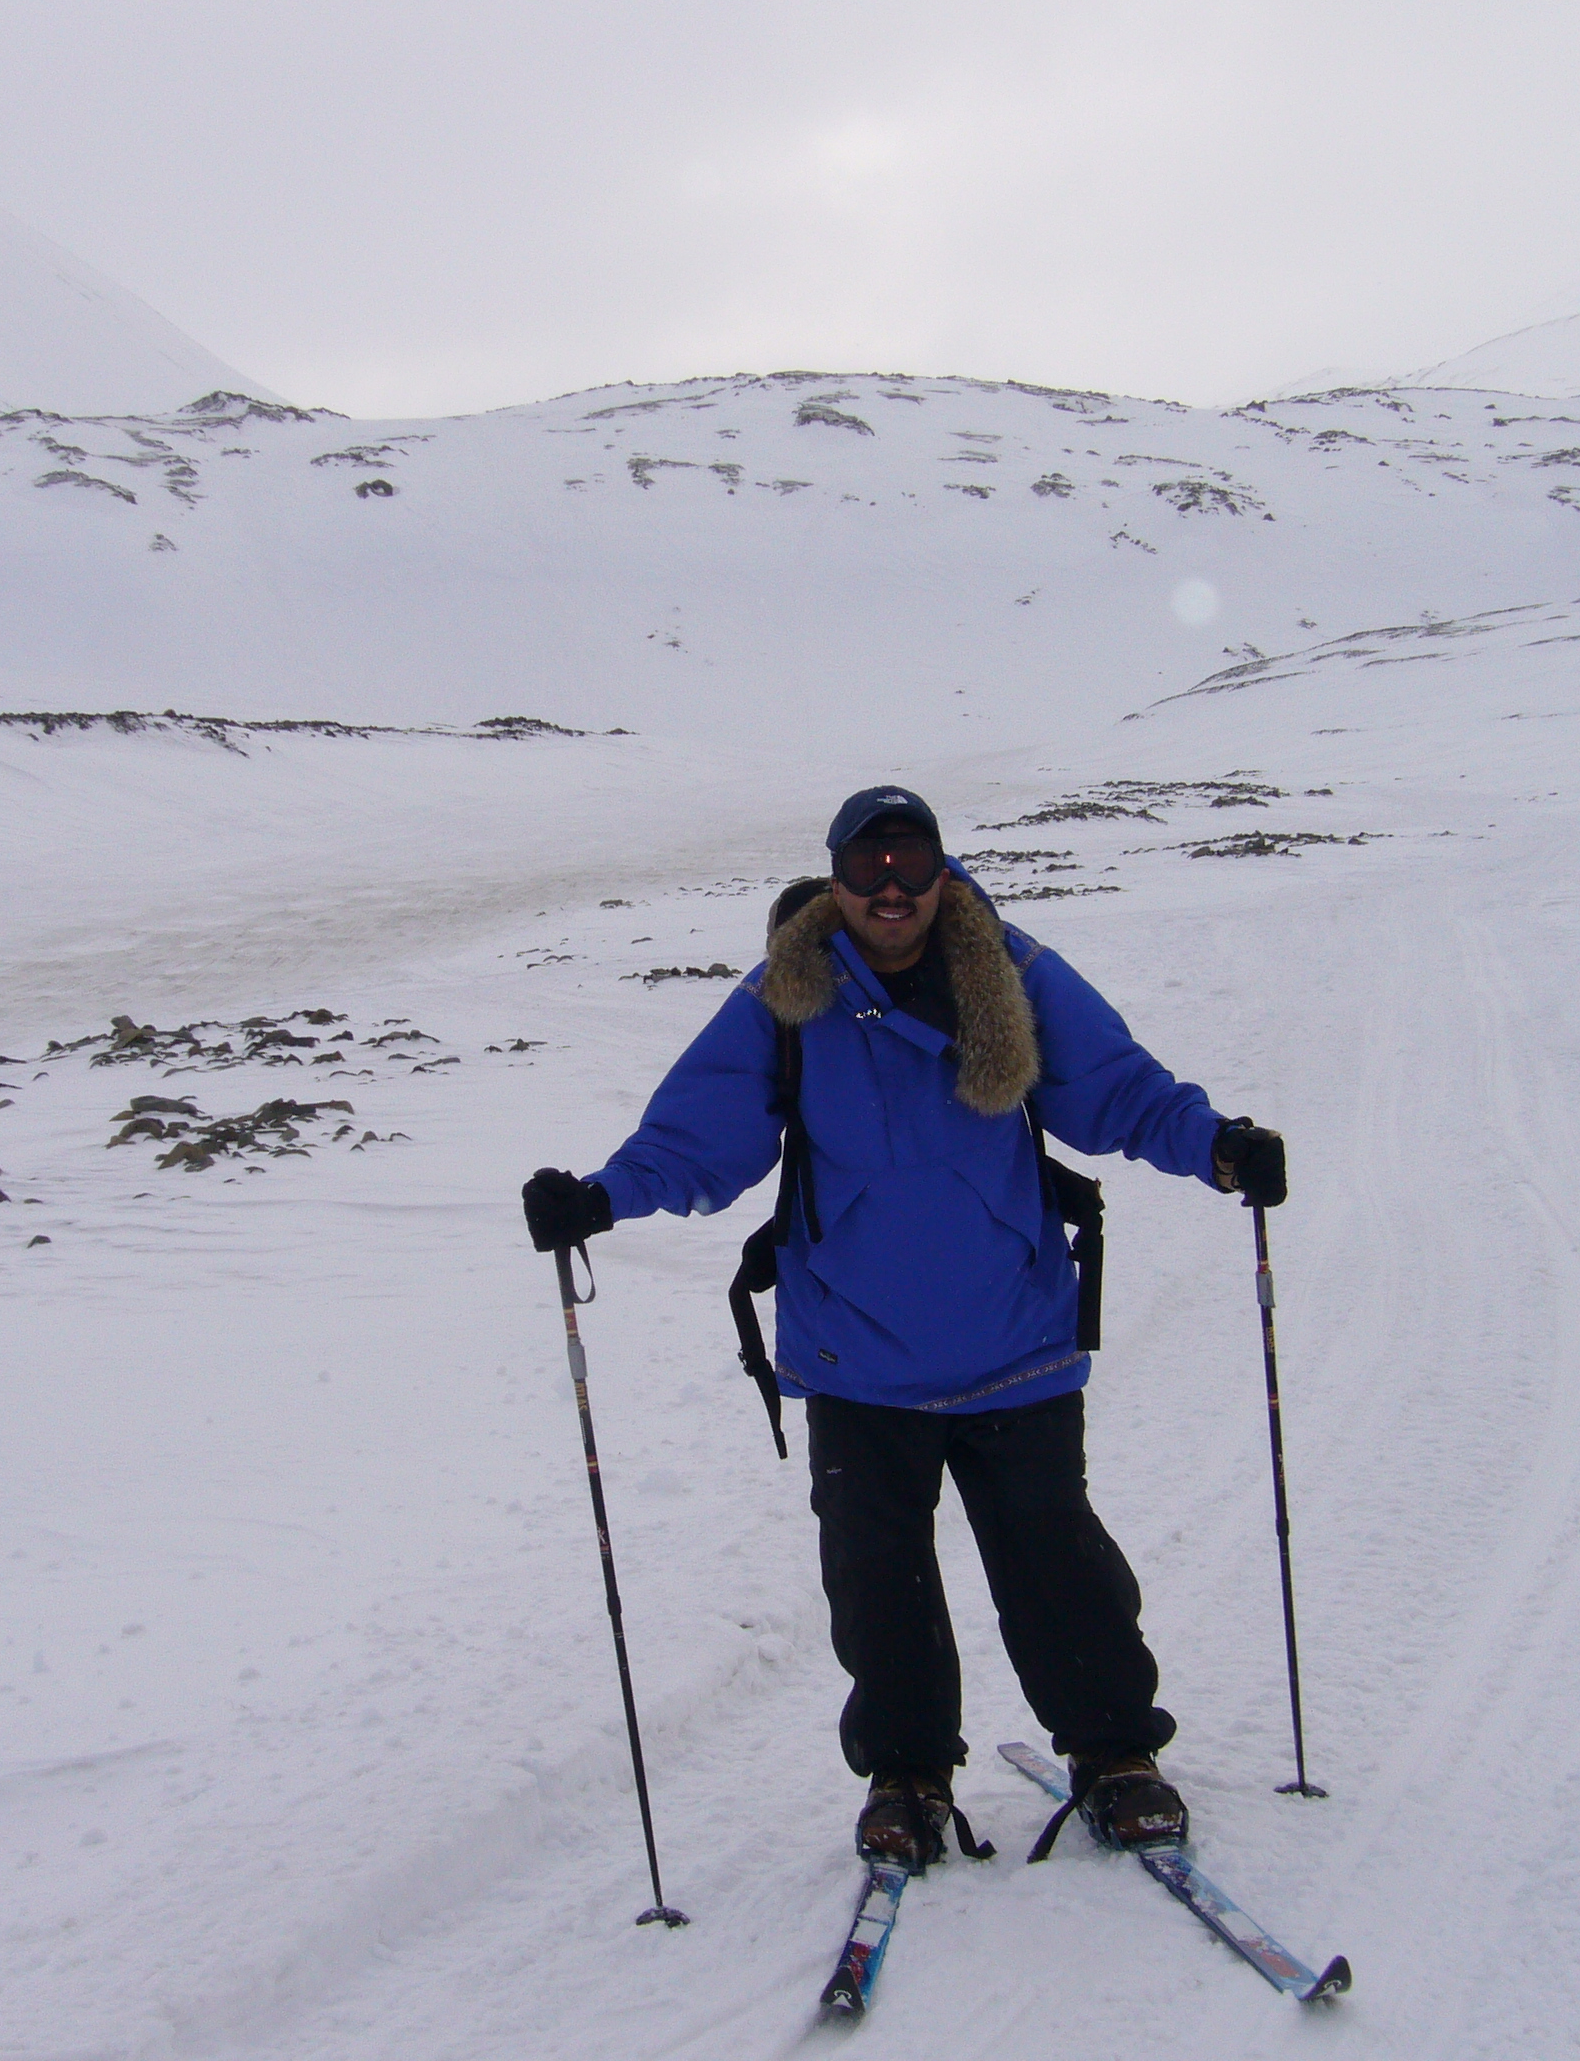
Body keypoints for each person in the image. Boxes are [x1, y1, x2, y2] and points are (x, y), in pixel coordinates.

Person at [523, 785, 1287, 1873]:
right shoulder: (786, 997)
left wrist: (1217, 1147)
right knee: (875, 1578)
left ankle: (1116, 1756)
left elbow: (1114, 1088)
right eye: (867, 866)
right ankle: (907, 1774)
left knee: (1053, 1560)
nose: (891, 888)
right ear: (834, 878)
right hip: (856, 1351)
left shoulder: (1013, 975)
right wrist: (601, 1197)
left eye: (911, 863)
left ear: (941, 872)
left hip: (1011, 1339)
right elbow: (702, 1132)